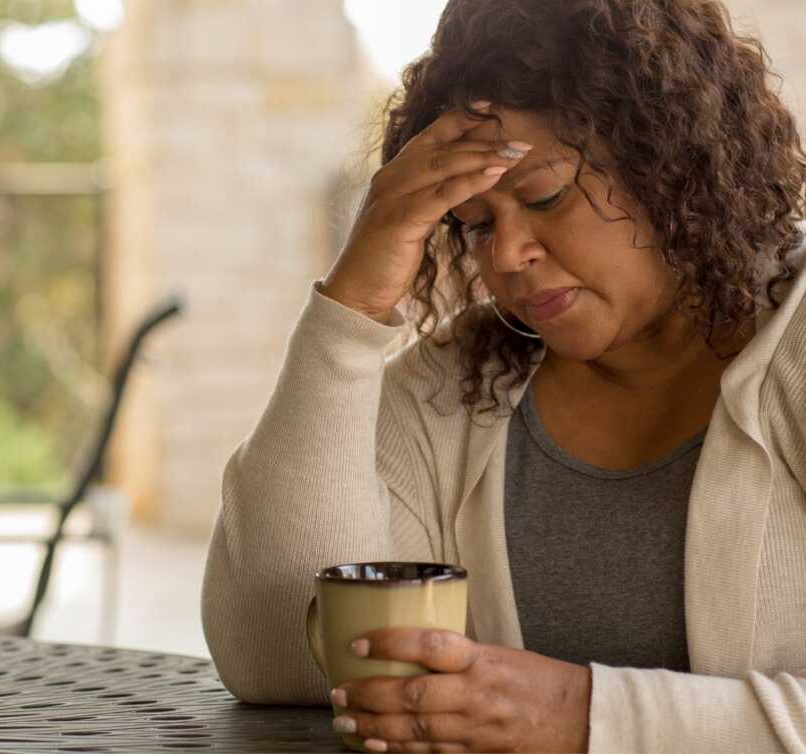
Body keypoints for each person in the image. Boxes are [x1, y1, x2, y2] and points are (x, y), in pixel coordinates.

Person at [202, 0, 806, 751]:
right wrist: (352, 305)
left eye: (544, 195)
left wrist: (583, 716)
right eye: (475, 223)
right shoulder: (458, 385)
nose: (506, 256)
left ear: (669, 162)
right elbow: (282, 659)